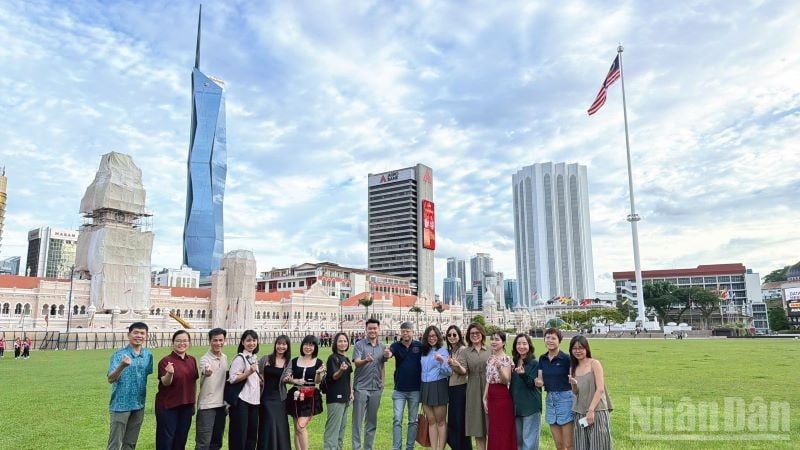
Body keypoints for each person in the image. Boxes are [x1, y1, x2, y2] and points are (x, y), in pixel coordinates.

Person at [106, 322, 153, 450]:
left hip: (138, 404)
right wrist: (122, 365)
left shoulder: (148, 355)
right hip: (121, 405)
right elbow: (110, 379)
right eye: (136, 332)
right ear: (129, 335)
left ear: (146, 336)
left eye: (142, 333)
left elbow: (145, 373)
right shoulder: (119, 355)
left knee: (130, 443)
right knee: (115, 443)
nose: (139, 336)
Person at [155, 330, 199, 450]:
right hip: (168, 407)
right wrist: (170, 373)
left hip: (186, 406)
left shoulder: (192, 360)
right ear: (173, 343)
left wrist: (193, 403)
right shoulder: (166, 361)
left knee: (181, 439)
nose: (182, 343)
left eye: (185, 341)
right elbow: (165, 382)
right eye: (178, 340)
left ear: (189, 343)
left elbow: (192, 382)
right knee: (166, 440)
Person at [569, 336, 612, 450]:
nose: (578, 351)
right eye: (574, 348)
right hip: (580, 411)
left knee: (599, 445)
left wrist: (591, 410)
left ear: (586, 349)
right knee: (582, 446)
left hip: (597, 410)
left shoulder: (594, 363)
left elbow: (600, 389)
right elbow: (575, 392)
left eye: (581, 348)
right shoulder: (573, 368)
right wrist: (573, 384)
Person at [385, 321, 423, 450]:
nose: (405, 333)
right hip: (399, 390)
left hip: (415, 390)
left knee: (413, 421)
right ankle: (397, 447)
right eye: (403, 331)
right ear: (400, 332)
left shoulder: (419, 346)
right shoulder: (395, 345)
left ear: (413, 332)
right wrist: (387, 354)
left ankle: (409, 447)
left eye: (408, 331)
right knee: (397, 420)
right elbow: (390, 353)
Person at [535, 328, 575, 450]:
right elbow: (541, 380)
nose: (550, 340)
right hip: (550, 400)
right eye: (547, 337)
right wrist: (538, 382)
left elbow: (573, 378)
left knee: (569, 444)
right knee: (559, 445)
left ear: (559, 341)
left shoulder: (567, 359)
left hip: (565, 399)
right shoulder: (542, 358)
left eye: (553, 338)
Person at [351, 318, 388, 450]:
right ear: (366, 329)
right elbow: (356, 362)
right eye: (370, 328)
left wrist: (382, 384)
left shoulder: (382, 346)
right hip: (361, 388)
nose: (372, 331)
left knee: (371, 422)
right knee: (357, 422)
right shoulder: (359, 345)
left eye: (375, 328)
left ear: (379, 329)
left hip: (376, 389)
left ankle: (368, 447)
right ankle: (356, 447)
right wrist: (366, 360)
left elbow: (382, 366)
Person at [285, 335, 326, 450]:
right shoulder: (294, 361)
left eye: (311, 345)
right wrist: (294, 380)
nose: (308, 347)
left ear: (315, 347)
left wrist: (318, 373)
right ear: (302, 345)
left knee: (300, 426)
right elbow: (287, 379)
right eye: (306, 344)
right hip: (295, 395)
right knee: (296, 428)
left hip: (309, 395)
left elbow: (317, 381)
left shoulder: (318, 362)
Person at [196, 328, 229, 450]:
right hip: (207, 405)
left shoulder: (224, 357)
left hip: (221, 405)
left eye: (221, 340)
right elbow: (205, 368)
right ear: (210, 341)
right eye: (215, 340)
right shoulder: (205, 358)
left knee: (216, 442)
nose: (218, 343)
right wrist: (207, 371)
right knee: (203, 443)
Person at [483, 331, 516, 450]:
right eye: (492, 339)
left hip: (502, 396)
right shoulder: (490, 358)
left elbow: (506, 380)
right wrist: (484, 397)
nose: (493, 342)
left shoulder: (506, 359)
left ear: (503, 342)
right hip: (491, 394)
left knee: (503, 428)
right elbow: (488, 379)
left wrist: (499, 368)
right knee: (493, 428)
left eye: (497, 339)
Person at [228, 330, 261, 450]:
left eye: (254, 340)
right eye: (248, 340)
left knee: (252, 435)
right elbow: (232, 379)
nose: (251, 343)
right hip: (242, 400)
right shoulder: (240, 358)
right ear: (243, 342)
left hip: (254, 401)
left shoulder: (254, 357)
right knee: (239, 435)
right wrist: (248, 372)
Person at [420, 325, 452, 450]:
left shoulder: (443, 351)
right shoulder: (424, 351)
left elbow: (448, 372)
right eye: (429, 336)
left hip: (438, 385)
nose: (431, 338)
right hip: (425, 386)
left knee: (440, 421)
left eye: (434, 336)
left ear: (438, 337)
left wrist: (441, 361)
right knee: (431, 421)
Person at [258, 334, 291, 450]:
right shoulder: (265, 359)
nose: (281, 346)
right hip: (265, 397)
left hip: (280, 397)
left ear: (287, 346)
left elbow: (288, 377)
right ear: (275, 344)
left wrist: (289, 379)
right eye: (279, 344)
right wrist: (260, 378)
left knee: (280, 426)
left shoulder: (288, 362)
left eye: (284, 344)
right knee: (267, 424)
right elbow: (257, 372)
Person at [461, 322, 489, 450]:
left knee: (491, 424)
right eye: (472, 333)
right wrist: (456, 366)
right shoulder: (465, 352)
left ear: (482, 334)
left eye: (477, 333)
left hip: (489, 388)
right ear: (468, 335)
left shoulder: (490, 350)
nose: (475, 335)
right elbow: (463, 371)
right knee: (478, 427)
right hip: (473, 389)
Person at [511, 334, 541, 450]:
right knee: (518, 443)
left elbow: (533, 384)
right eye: (518, 343)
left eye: (524, 343)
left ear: (529, 346)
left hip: (531, 408)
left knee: (529, 444)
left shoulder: (535, 363)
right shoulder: (513, 362)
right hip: (516, 408)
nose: (521, 346)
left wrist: (523, 375)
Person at [323, 332, 353, 450]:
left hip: (345, 397)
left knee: (341, 429)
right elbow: (334, 376)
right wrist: (340, 370)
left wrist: (351, 392)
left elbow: (349, 377)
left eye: (345, 341)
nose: (343, 343)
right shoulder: (333, 358)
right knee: (333, 430)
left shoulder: (346, 358)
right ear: (335, 343)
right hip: (335, 398)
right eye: (340, 341)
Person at [445, 325, 471, 450]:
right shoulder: (451, 350)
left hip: (460, 388)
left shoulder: (462, 350)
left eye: (454, 334)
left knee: (459, 420)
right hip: (451, 388)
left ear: (459, 335)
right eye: (449, 335)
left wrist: (454, 365)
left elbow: (463, 371)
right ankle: (456, 445)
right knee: (453, 420)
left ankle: (462, 446)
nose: (452, 337)